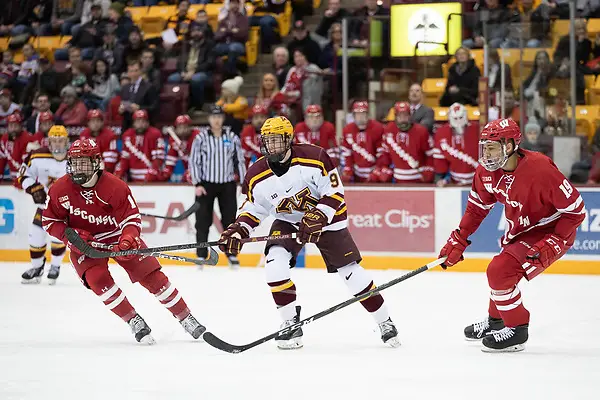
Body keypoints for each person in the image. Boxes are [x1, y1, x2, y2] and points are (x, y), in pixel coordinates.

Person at [218, 116, 399, 350]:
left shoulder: (315, 157)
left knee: (350, 272)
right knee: (274, 265)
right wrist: (239, 229)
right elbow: (253, 208)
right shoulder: (255, 174)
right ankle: (290, 323)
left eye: (276, 140)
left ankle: (385, 321)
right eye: (267, 141)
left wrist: (319, 216)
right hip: (289, 221)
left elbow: (335, 192)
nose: (271, 146)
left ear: (289, 139)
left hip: (326, 220)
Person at [438, 118, 586, 352]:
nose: (486, 154)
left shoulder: (541, 169)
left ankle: (517, 329)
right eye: (484, 147)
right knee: (504, 271)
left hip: (550, 230)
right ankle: (496, 321)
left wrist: (556, 240)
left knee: (500, 270)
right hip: (521, 230)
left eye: (492, 147)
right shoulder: (486, 172)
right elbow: (476, 208)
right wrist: (459, 238)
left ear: (510, 146)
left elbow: (576, 210)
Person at [41, 138, 206, 344]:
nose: (78, 167)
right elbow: (49, 221)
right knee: (97, 279)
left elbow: (131, 219)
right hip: (85, 245)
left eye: (83, 162)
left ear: (95, 162)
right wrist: (69, 236)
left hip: (116, 235)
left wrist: (128, 238)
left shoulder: (115, 186)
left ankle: (185, 316)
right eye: (74, 162)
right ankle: (133, 319)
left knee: (151, 276)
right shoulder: (59, 189)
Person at [189, 105, 245, 267]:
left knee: (230, 221)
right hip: (206, 185)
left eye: (219, 117)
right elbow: (194, 161)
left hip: (227, 184)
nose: (216, 120)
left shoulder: (232, 137)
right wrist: (197, 183)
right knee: (202, 221)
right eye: (213, 117)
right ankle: (201, 254)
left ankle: (231, 253)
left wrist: (243, 182)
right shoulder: (201, 139)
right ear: (209, 119)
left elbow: (239, 160)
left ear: (223, 119)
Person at [19, 126, 69, 285]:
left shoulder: (75, 158)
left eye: (61, 140)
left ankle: (55, 266)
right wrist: (33, 189)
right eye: (54, 141)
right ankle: (37, 267)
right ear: (49, 142)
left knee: (58, 237)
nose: (57, 144)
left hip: (65, 210)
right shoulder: (37, 155)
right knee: (35, 237)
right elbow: (23, 174)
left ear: (67, 141)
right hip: (44, 207)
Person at [372, 102, 433, 184]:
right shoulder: (389, 129)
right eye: (400, 116)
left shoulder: (421, 131)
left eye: (405, 115)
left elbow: (430, 154)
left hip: (418, 178)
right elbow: (385, 153)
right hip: (398, 178)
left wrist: (429, 169)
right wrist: (384, 167)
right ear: (395, 117)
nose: (403, 119)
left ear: (410, 116)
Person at [432, 103, 480, 186]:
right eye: (455, 118)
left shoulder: (477, 130)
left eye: (461, 117)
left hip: (478, 180)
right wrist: (441, 179)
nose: (458, 121)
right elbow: (440, 162)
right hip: (454, 181)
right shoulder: (441, 133)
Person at [114, 110, 165, 182]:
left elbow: (158, 158)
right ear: (133, 123)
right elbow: (125, 158)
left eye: (143, 121)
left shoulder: (155, 134)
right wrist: (119, 173)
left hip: (152, 179)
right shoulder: (127, 135)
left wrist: (152, 173)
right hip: (133, 178)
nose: (140, 124)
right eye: (138, 121)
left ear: (147, 123)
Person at [340, 101, 384, 182]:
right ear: (353, 115)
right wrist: (348, 169)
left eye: (363, 113)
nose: (361, 117)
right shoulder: (347, 130)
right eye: (358, 114)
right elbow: (346, 153)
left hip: (373, 171)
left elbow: (381, 153)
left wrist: (377, 169)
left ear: (368, 115)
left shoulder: (377, 128)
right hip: (357, 173)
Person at [161, 114, 200, 182]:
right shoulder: (174, 139)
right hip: (188, 172)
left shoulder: (198, 136)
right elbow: (170, 161)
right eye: (180, 127)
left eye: (185, 126)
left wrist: (187, 151)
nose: (182, 130)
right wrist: (164, 174)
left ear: (190, 127)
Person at [0, 113, 32, 182]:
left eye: (16, 125)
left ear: (21, 126)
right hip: (12, 177)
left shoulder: (27, 138)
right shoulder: (4, 138)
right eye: (11, 126)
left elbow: (27, 162)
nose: (13, 129)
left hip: (28, 177)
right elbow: (2, 160)